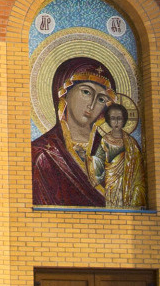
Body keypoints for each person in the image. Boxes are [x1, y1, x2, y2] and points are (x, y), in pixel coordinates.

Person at [30, 57, 118, 206]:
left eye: (101, 99)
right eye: (86, 92)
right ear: (65, 93)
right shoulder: (42, 153)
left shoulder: (111, 150)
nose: (92, 104)